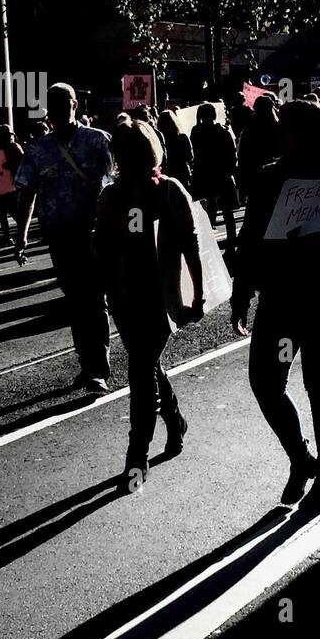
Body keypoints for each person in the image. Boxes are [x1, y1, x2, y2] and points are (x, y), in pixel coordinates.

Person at [231, 101, 320, 510]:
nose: (278, 133)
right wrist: (242, 294)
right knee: (266, 383)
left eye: (286, 128)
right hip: (283, 302)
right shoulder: (270, 178)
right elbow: (250, 240)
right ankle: (301, 458)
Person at [94, 121, 202, 489]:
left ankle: (136, 455)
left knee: (140, 372)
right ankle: (175, 420)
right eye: (121, 154)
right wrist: (104, 290)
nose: (123, 159)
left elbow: (191, 244)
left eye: (128, 152)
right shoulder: (112, 195)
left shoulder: (169, 190)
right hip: (125, 296)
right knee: (145, 364)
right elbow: (102, 248)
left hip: (160, 295)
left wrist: (198, 294)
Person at [13, 83, 114, 392]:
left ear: (75, 105)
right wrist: (21, 235)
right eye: (52, 104)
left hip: (93, 231)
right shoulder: (37, 149)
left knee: (94, 299)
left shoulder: (97, 141)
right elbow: (26, 193)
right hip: (58, 234)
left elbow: (116, 183)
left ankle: (98, 368)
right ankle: (87, 363)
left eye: (64, 103)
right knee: (75, 301)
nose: (58, 109)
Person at [189, 103, 240, 267]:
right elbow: (232, 155)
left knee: (206, 213)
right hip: (222, 174)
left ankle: (208, 246)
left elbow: (194, 155)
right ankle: (232, 245)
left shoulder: (196, 132)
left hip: (204, 175)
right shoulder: (223, 132)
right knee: (227, 213)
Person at [236, 93, 283, 203]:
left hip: (254, 172)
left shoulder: (250, 129)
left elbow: (243, 155)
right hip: (275, 171)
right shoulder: (278, 127)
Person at [0, 125, 25, 245]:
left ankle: (21, 232)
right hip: (0, 183)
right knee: (3, 212)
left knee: (12, 210)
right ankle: (7, 236)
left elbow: (22, 164)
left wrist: (9, 166)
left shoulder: (14, 147)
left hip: (11, 183)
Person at [156, 109, 194, 191]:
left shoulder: (160, 140)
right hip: (182, 172)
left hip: (167, 173)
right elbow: (190, 157)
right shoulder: (182, 137)